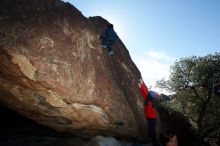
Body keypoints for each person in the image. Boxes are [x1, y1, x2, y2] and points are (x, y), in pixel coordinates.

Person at [138, 78, 173, 146]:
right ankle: (154, 143)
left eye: (150, 95)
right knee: (151, 132)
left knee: (152, 132)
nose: (147, 95)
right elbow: (144, 93)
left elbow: (146, 92)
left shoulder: (151, 99)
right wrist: (140, 87)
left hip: (152, 118)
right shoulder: (147, 99)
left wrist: (142, 84)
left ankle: (156, 144)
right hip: (149, 118)